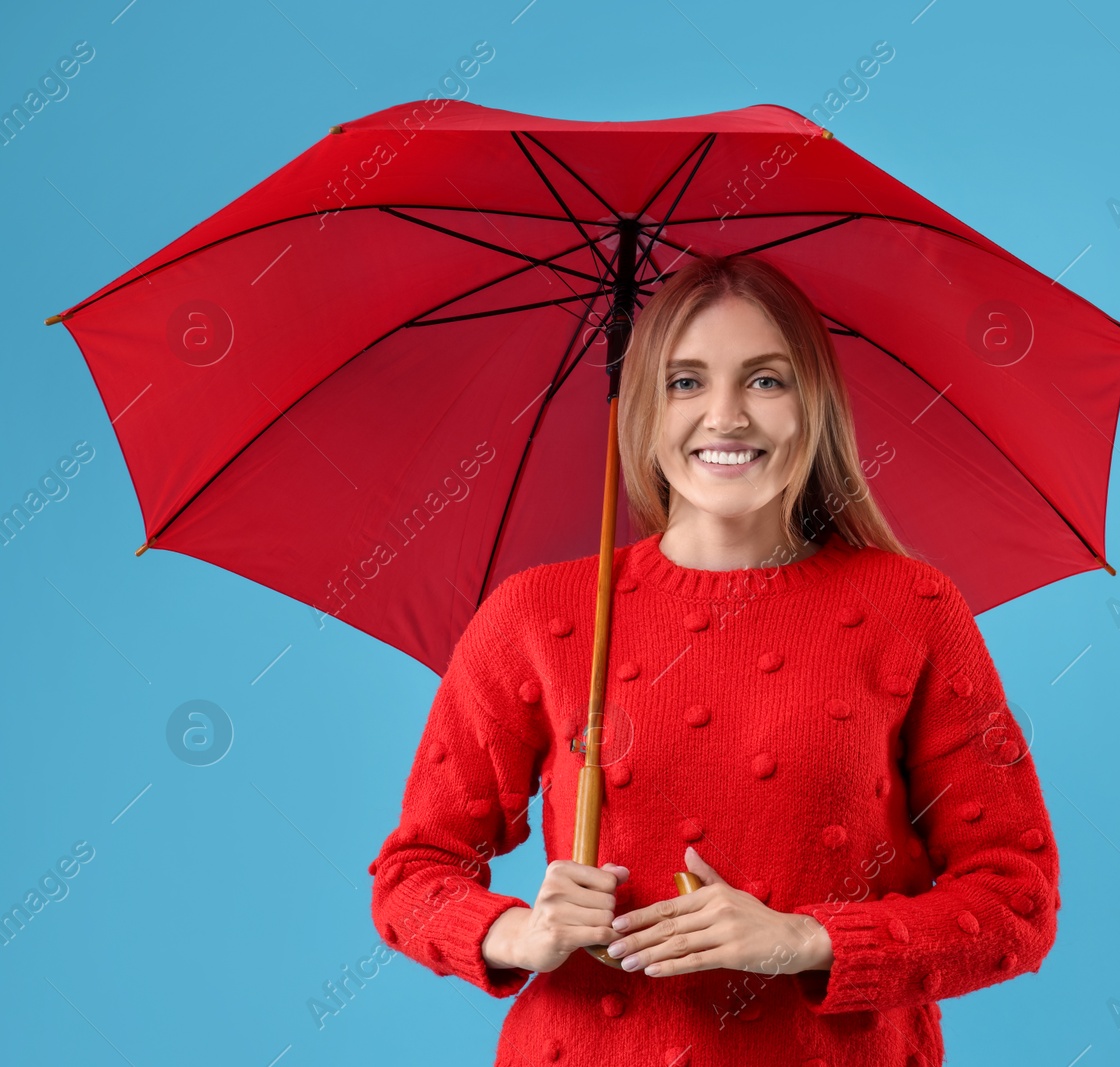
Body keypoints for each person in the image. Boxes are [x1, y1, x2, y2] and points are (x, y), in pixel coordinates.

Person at [368, 254, 1061, 1066]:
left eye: (766, 381)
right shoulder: (538, 613)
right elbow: (412, 872)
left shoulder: (913, 607)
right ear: (641, 411)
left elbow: (1017, 899)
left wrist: (804, 938)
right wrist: (521, 931)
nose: (725, 416)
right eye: (685, 381)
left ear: (814, 406)